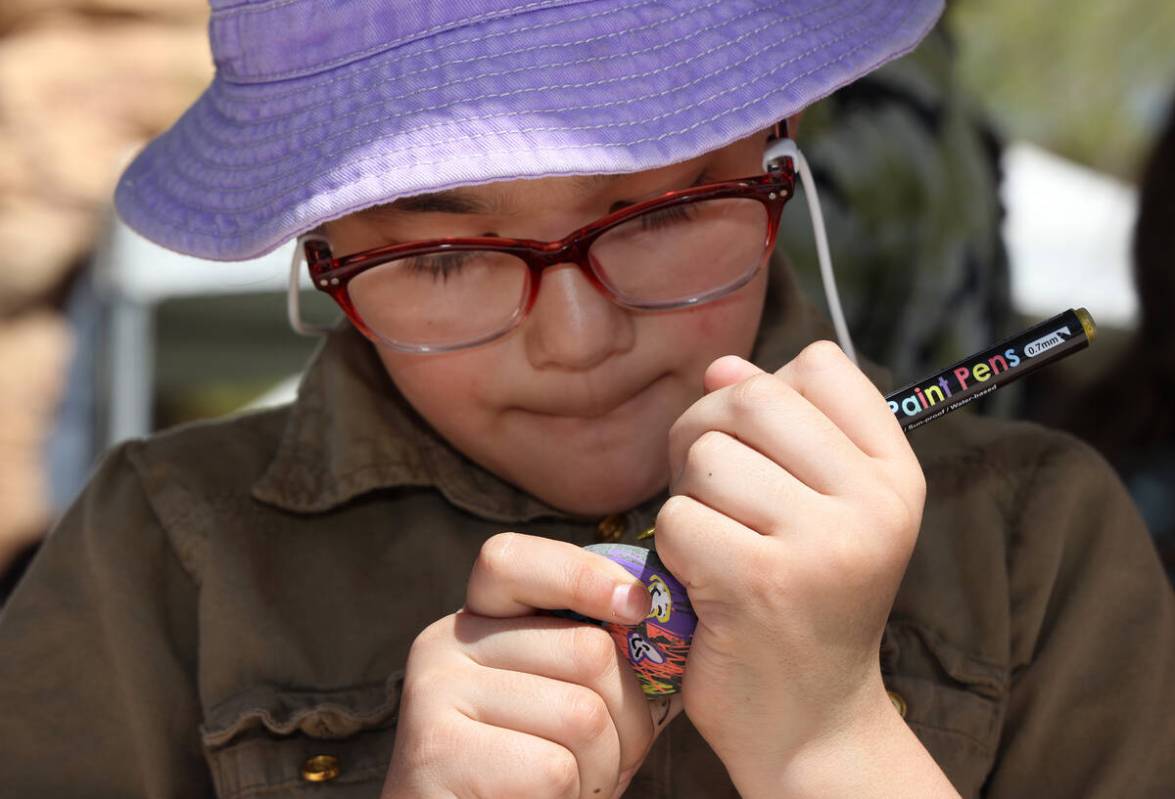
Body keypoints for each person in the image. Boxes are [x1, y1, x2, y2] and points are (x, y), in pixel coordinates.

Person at [1, 2, 1172, 798]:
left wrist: (827, 737)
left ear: (782, 149)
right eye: (444, 258)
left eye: (659, 215)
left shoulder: (1031, 542)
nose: (576, 337)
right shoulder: (155, 558)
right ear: (324, 256)